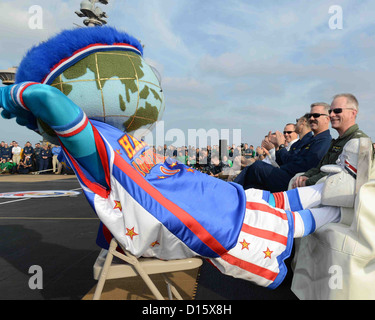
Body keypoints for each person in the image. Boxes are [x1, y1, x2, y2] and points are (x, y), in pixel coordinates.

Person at [0, 26, 343, 289]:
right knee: (254, 221)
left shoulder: (114, 136)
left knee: (249, 198)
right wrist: (13, 94)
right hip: (169, 215)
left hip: (185, 192)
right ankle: (337, 207)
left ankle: (321, 194)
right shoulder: (89, 142)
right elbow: (48, 98)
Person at [234, 103, 332, 192]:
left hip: (294, 180)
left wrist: (280, 146)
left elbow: (303, 166)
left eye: (316, 115)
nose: (311, 118)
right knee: (252, 186)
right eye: (310, 115)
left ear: (327, 119)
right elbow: (285, 161)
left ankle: (231, 191)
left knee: (257, 167)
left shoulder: (323, 141)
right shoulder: (312, 140)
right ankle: (235, 196)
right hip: (287, 174)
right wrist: (278, 146)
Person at [293, 94, 370, 188]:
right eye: (330, 111)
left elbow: (339, 175)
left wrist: (308, 182)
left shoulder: (357, 142)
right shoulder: (338, 141)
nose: (331, 115)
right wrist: (306, 176)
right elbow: (321, 167)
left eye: (337, 110)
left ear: (353, 113)